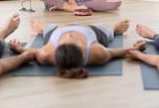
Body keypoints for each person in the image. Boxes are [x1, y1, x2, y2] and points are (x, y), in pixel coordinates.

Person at [9, 19, 144, 78]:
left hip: (55, 30)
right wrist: (135, 49)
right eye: (71, 40)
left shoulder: (46, 54)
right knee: (107, 30)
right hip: (93, 31)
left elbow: (31, 53)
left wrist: (18, 48)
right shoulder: (97, 53)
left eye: (66, 41)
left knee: (47, 30)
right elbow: (117, 53)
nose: (69, 36)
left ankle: (42, 28)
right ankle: (114, 28)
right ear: (83, 52)